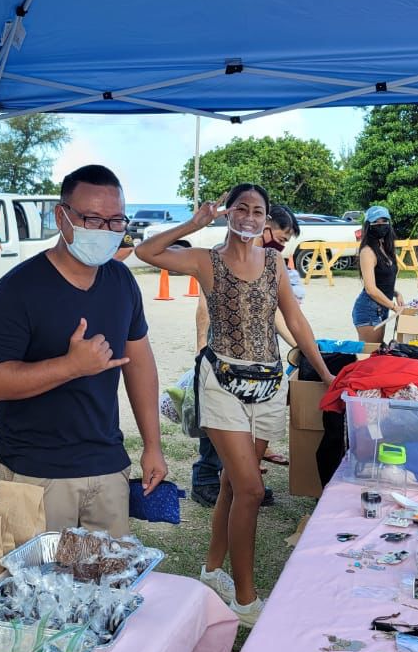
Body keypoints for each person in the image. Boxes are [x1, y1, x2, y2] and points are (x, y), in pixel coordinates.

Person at [137, 185, 333, 626]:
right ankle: (246, 600)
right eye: (240, 208)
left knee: (232, 482)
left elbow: (295, 321)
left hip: (268, 383)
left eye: (257, 210)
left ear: (267, 218)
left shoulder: (274, 263)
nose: (248, 216)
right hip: (222, 381)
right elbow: (146, 252)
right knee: (251, 488)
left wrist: (323, 373)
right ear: (228, 213)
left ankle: (211, 570)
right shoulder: (205, 259)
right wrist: (193, 224)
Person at [0, 165, 167, 537]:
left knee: (109, 588)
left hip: (107, 467)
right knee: (33, 590)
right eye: (92, 219)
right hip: (36, 474)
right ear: (62, 217)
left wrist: (153, 445)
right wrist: (70, 366)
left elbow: (139, 363)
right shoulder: (17, 289)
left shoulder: (121, 281)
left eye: (115, 221)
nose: (105, 231)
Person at [190, 203, 301, 508]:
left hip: (257, 367)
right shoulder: (220, 258)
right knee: (217, 431)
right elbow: (203, 307)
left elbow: (274, 316)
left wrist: (299, 345)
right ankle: (205, 481)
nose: (282, 243)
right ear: (266, 228)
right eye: (281, 236)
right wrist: (201, 346)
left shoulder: (270, 263)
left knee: (243, 431)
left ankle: (243, 484)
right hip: (221, 359)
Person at [352, 205, 400, 342]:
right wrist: (394, 307)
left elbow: (382, 281)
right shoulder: (368, 252)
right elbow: (371, 289)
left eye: (384, 221)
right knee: (370, 354)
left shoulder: (385, 247)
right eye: (376, 222)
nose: (381, 225)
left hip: (382, 307)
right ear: (368, 226)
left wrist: (396, 293)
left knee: (378, 352)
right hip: (369, 310)